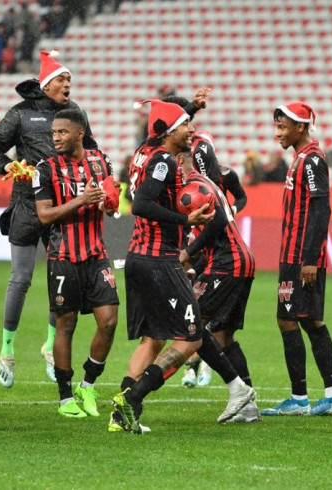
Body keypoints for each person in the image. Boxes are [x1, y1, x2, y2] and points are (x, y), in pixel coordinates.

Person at [110, 99, 255, 434]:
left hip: (138, 256)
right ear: (168, 132)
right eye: (185, 125)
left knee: (154, 338)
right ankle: (132, 399)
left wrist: (191, 106)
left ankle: (121, 416)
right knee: (191, 337)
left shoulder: (142, 152)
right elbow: (142, 203)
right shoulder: (163, 159)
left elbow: (163, 120)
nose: (191, 130)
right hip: (160, 259)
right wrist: (184, 218)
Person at [0, 51, 98, 387]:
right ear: (46, 84)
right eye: (62, 79)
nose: (68, 84)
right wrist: (8, 166)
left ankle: (49, 346)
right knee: (20, 279)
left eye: (70, 80)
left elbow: (90, 152)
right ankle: (6, 350)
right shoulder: (20, 114)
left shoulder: (76, 115)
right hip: (26, 207)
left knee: (59, 281)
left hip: (61, 209)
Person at [34, 109, 120, 418]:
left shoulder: (100, 161)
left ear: (79, 134)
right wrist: (79, 201)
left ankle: (88, 384)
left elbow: (111, 206)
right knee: (65, 325)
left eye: (62, 132)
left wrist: (110, 202)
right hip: (62, 258)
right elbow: (44, 215)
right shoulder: (45, 169)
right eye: (54, 133)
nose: (56, 137)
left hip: (96, 255)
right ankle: (65, 398)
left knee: (109, 321)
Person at [261, 102, 332, 417]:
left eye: (283, 127)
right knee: (308, 320)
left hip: (301, 258)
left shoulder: (311, 161)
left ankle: (301, 399)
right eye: (276, 126)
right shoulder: (300, 159)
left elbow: (322, 209)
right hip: (294, 255)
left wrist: (310, 258)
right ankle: (331, 396)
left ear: (301, 127)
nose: (277, 133)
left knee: (289, 320)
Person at [176, 151, 261, 422]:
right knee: (223, 335)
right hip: (239, 260)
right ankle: (248, 406)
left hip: (228, 263)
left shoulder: (194, 185)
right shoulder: (206, 183)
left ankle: (238, 390)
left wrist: (186, 253)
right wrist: (194, 266)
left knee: (192, 325)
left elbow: (217, 223)